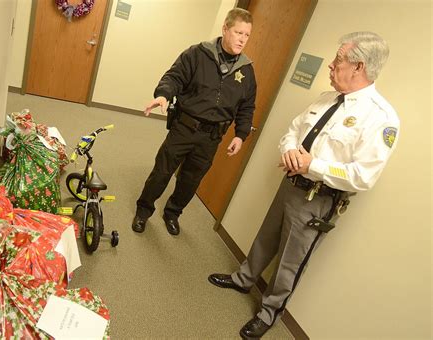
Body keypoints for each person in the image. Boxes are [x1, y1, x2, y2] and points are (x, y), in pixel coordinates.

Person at [208, 31, 400, 339]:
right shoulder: (327, 98)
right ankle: (244, 278)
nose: (331, 64)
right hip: (291, 182)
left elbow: (364, 175)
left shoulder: (380, 117)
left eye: (339, 58)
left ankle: (268, 313)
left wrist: (314, 165)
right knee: (266, 237)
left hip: (319, 198)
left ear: (359, 67)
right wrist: (288, 149)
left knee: (290, 261)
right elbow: (294, 130)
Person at [132, 8, 257, 236]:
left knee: (191, 180)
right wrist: (164, 94)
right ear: (225, 29)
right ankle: (143, 210)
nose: (242, 39)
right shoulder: (198, 54)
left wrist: (240, 134)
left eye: (247, 35)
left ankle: (172, 213)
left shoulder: (247, 71)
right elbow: (174, 77)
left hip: (211, 137)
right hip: (185, 127)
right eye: (238, 32)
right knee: (162, 171)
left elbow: (247, 107)